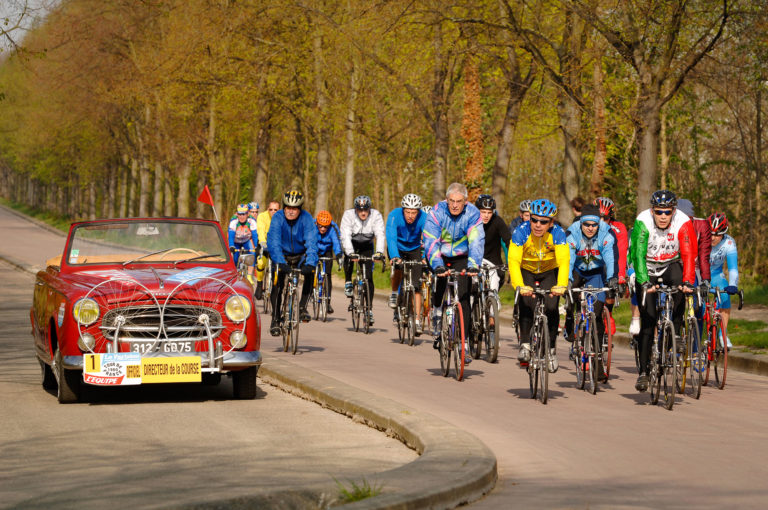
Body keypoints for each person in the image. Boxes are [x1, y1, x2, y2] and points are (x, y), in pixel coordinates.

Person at [629, 190, 696, 392]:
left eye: (667, 212)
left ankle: (675, 332)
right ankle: (643, 372)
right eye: (659, 212)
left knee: (680, 287)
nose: (663, 216)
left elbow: (688, 253)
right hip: (646, 267)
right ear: (652, 211)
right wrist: (643, 282)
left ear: (673, 211)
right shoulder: (643, 221)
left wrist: (688, 281)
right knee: (648, 323)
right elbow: (638, 255)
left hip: (670, 264)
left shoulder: (683, 221)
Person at [424, 182, 485, 365]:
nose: (455, 205)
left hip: (462, 256)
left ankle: (464, 344)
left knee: (464, 297)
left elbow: (476, 240)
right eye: (451, 201)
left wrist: (474, 265)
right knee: (441, 282)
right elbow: (430, 240)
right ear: (446, 199)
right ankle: (436, 312)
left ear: (465, 202)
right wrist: (437, 265)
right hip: (439, 254)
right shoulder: (436, 212)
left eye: (459, 201)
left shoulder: (473, 213)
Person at [509, 199, 569, 372]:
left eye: (543, 222)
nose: (537, 225)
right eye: (534, 220)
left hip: (548, 271)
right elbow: (513, 260)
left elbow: (564, 261)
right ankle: (525, 345)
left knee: (551, 307)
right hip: (526, 269)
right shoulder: (521, 231)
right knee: (526, 303)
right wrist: (519, 285)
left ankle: (551, 351)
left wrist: (562, 285)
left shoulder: (558, 233)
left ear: (551, 223)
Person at [564, 204, 617, 376]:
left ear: (598, 224)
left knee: (598, 312)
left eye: (594, 225)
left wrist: (612, 278)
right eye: (586, 225)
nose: (590, 228)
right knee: (570, 293)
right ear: (581, 223)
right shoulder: (572, 234)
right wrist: (569, 280)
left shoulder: (606, 233)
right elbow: (569, 259)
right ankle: (570, 318)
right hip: (577, 271)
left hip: (596, 273)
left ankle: (597, 360)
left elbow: (610, 257)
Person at [267, 190, 318, 336]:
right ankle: (275, 319)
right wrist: (280, 262)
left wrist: (310, 262)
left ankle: (302, 307)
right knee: (277, 283)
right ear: (284, 207)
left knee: (311, 272)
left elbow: (312, 242)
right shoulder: (277, 218)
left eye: (294, 209)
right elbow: (274, 241)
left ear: (300, 209)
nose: (290, 211)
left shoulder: (306, 219)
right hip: (281, 255)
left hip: (300, 255)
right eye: (288, 208)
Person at [340, 195, 386, 326]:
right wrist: (350, 252)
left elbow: (380, 234)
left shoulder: (376, 215)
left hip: (367, 245)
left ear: (369, 209)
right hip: (352, 243)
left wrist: (379, 252)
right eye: (360, 210)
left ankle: (369, 310)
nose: (363, 212)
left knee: (369, 278)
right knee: (348, 259)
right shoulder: (348, 215)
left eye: (366, 209)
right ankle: (348, 281)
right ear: (355, 210)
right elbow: (345, 235)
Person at [386, 193, 427, 334]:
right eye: (408, 212)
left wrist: (426, 257)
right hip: (397, 247)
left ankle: (416, 320)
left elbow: (429, 239)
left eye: (414, 212)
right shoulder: (394, 215)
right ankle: (394, 293)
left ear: (418, 212)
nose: (410, 216)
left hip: (414, 249)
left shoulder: (424, 218)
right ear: (403, 210)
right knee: (397, 268)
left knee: (416, 286)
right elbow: (390, 237)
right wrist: (395, 256)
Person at [708, 212, 739, 346]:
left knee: (725, 298)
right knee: (699, 307)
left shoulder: (729, 242)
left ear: (724, 233)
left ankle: (723, 335)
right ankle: (696, 340)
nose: (713, 238)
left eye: (717, 234)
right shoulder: (700, 238)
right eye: (711, 233)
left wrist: (733, 284)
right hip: (699, 274)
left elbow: (732, 268)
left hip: (716, 274)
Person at [475, 194, 510, 298]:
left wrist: (513, 260)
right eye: (483, 212)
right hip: (475, 259)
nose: (486, 215)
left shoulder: (497, 221)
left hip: (493, 262)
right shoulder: (471, 221)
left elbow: (508, 240)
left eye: (489, 212)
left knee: (495, 286)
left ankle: (491, 310)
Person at [315, 210, 344, 314]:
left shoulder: (333, 228)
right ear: (317, 223)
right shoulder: (312, 227)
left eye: (325, 227)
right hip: (315, 249)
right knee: (310, 270)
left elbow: (337, 243)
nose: (323, 229)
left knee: (327, 275)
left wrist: (339, 255)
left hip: (327, 250)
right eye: (321, 226)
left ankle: (327, 303)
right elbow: (307, 240)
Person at [254, 200, 280, 300]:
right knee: (260, 263)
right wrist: (263, 242)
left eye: (276, 210)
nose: (273, 211)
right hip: (263, 243)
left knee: (278, 267)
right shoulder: (262, 216)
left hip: (276, 245)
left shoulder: (282, 218)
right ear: (267, 209)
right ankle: (260, 285)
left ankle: (275, 287)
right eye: (271, 209)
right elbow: (260, 230)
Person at [228, 203, 258, 285]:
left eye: (244, 214)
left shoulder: (251, 220)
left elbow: (255, 235)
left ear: (247, 214)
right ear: (237, 214)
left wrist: (256, 246)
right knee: (235, 257)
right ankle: (234, 274)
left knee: (252, 253)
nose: (242, 217)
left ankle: (249, 276)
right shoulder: (234, 221)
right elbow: (230, 236)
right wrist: (231, 246)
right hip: (236, 241)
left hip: (246, 240)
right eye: (240, 214)